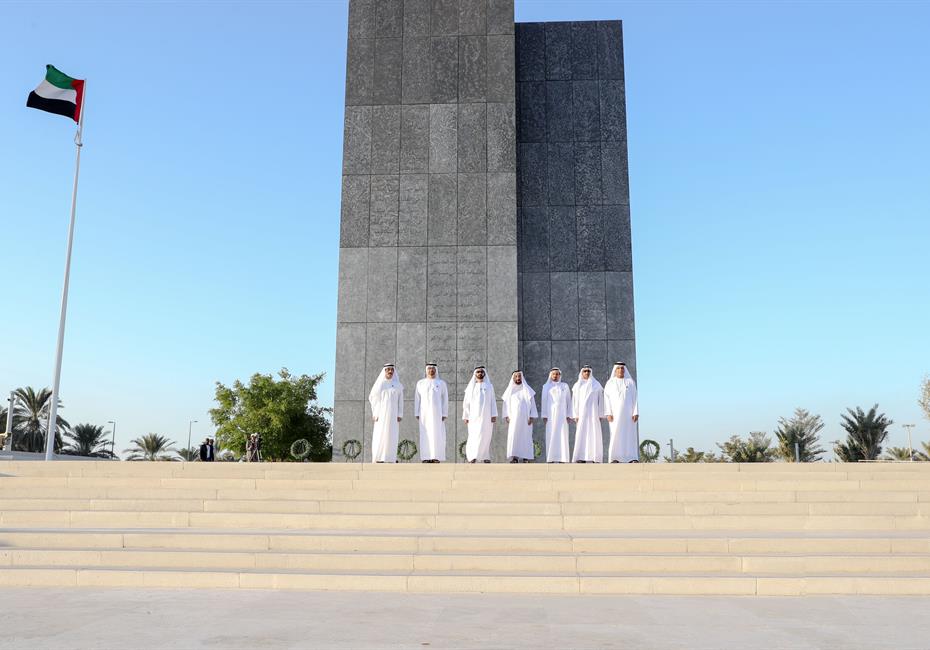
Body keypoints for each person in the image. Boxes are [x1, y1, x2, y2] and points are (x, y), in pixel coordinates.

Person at [604, 362, 640, 463]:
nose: (621, 370)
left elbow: (635, 398)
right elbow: (606, 399)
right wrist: (608, 413)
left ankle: (632, 458)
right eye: (618, 368)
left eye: (622, 368)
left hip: (629, 415)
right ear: (615, 370)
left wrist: (635, 412)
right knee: (615, 434)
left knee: (630, 435)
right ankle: (615, 458)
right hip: (614, 415)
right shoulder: (610, 383)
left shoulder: (630, 382)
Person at [369, 363, 403, 463]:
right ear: (384, 371)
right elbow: (373, 398)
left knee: (392, 435)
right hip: (381, 415)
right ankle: (379, 457)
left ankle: (390, 458)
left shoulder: (398, 385)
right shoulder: (380, 384)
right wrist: (375, 413)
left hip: (393, 415)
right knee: (380, 434)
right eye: (388, 369)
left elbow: (400, 401)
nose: (390, 371)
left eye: (392, 370)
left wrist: (400, 414)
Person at [414, 363, 448, 463]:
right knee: (425, 434)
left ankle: (436, 457)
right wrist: (417, 412)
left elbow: (445, 399)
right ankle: (426, 457)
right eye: (429, 368)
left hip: (438, 414)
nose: (431, 370)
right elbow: (417, 399)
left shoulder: (441, 383)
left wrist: (444, 413)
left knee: (437, 434)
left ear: (436, 370)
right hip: (424, 414)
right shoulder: (420, 383)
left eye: (433, 368)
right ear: (426, 370)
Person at [462, 366, 497, 463]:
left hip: (486, 416)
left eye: (482, 372)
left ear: (484, 373)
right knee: (473, 435)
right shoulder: (470, 388)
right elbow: (466, 403)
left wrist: (493, 414)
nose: (480, 373)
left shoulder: (489, 386)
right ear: (475, 374)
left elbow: (493, 401)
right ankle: (472, 456)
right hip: (473, 417)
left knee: (486, 436)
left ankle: (485, 456)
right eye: (478, 372)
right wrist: (466, 416)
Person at [501, 370, 537, 463]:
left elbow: (532, 404)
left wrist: (532, 416)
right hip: (514, 419)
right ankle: (515, 458)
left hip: (526, 419)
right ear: (513, 378)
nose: (518, 378)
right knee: (514, 437)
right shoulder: (509, 391)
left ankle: (526, 457)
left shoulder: (527, 390)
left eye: (519, 376)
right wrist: (506, 416)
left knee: (526, 437)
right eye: (516, 376)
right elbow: (505, 405)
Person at [571, 365, 605, 463]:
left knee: (594, 435)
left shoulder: (596, 385)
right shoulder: (577, 386)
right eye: (585, 371)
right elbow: (574, 401)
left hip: (593, 414)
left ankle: (595, 457)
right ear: (582, 373)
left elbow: (601, 401)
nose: (586, 373)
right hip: (581, 415)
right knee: (581, 435)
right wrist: (575, 415)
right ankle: (581, 457)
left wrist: (600, 414)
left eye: (588, 371)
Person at [541, 367, 573, 463]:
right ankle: (551, 458)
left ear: (560, 375)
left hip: (562, 416)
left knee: (562, 435)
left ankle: (563, 458)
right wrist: (544, 415)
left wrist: (569, 415)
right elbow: (544, 401)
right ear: (551, 375)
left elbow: (568, 401)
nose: (555, 376)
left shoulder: (565, 386)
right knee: (551, 434)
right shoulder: (546, 387)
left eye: (557, 374)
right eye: (554, 374)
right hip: (551, 415)